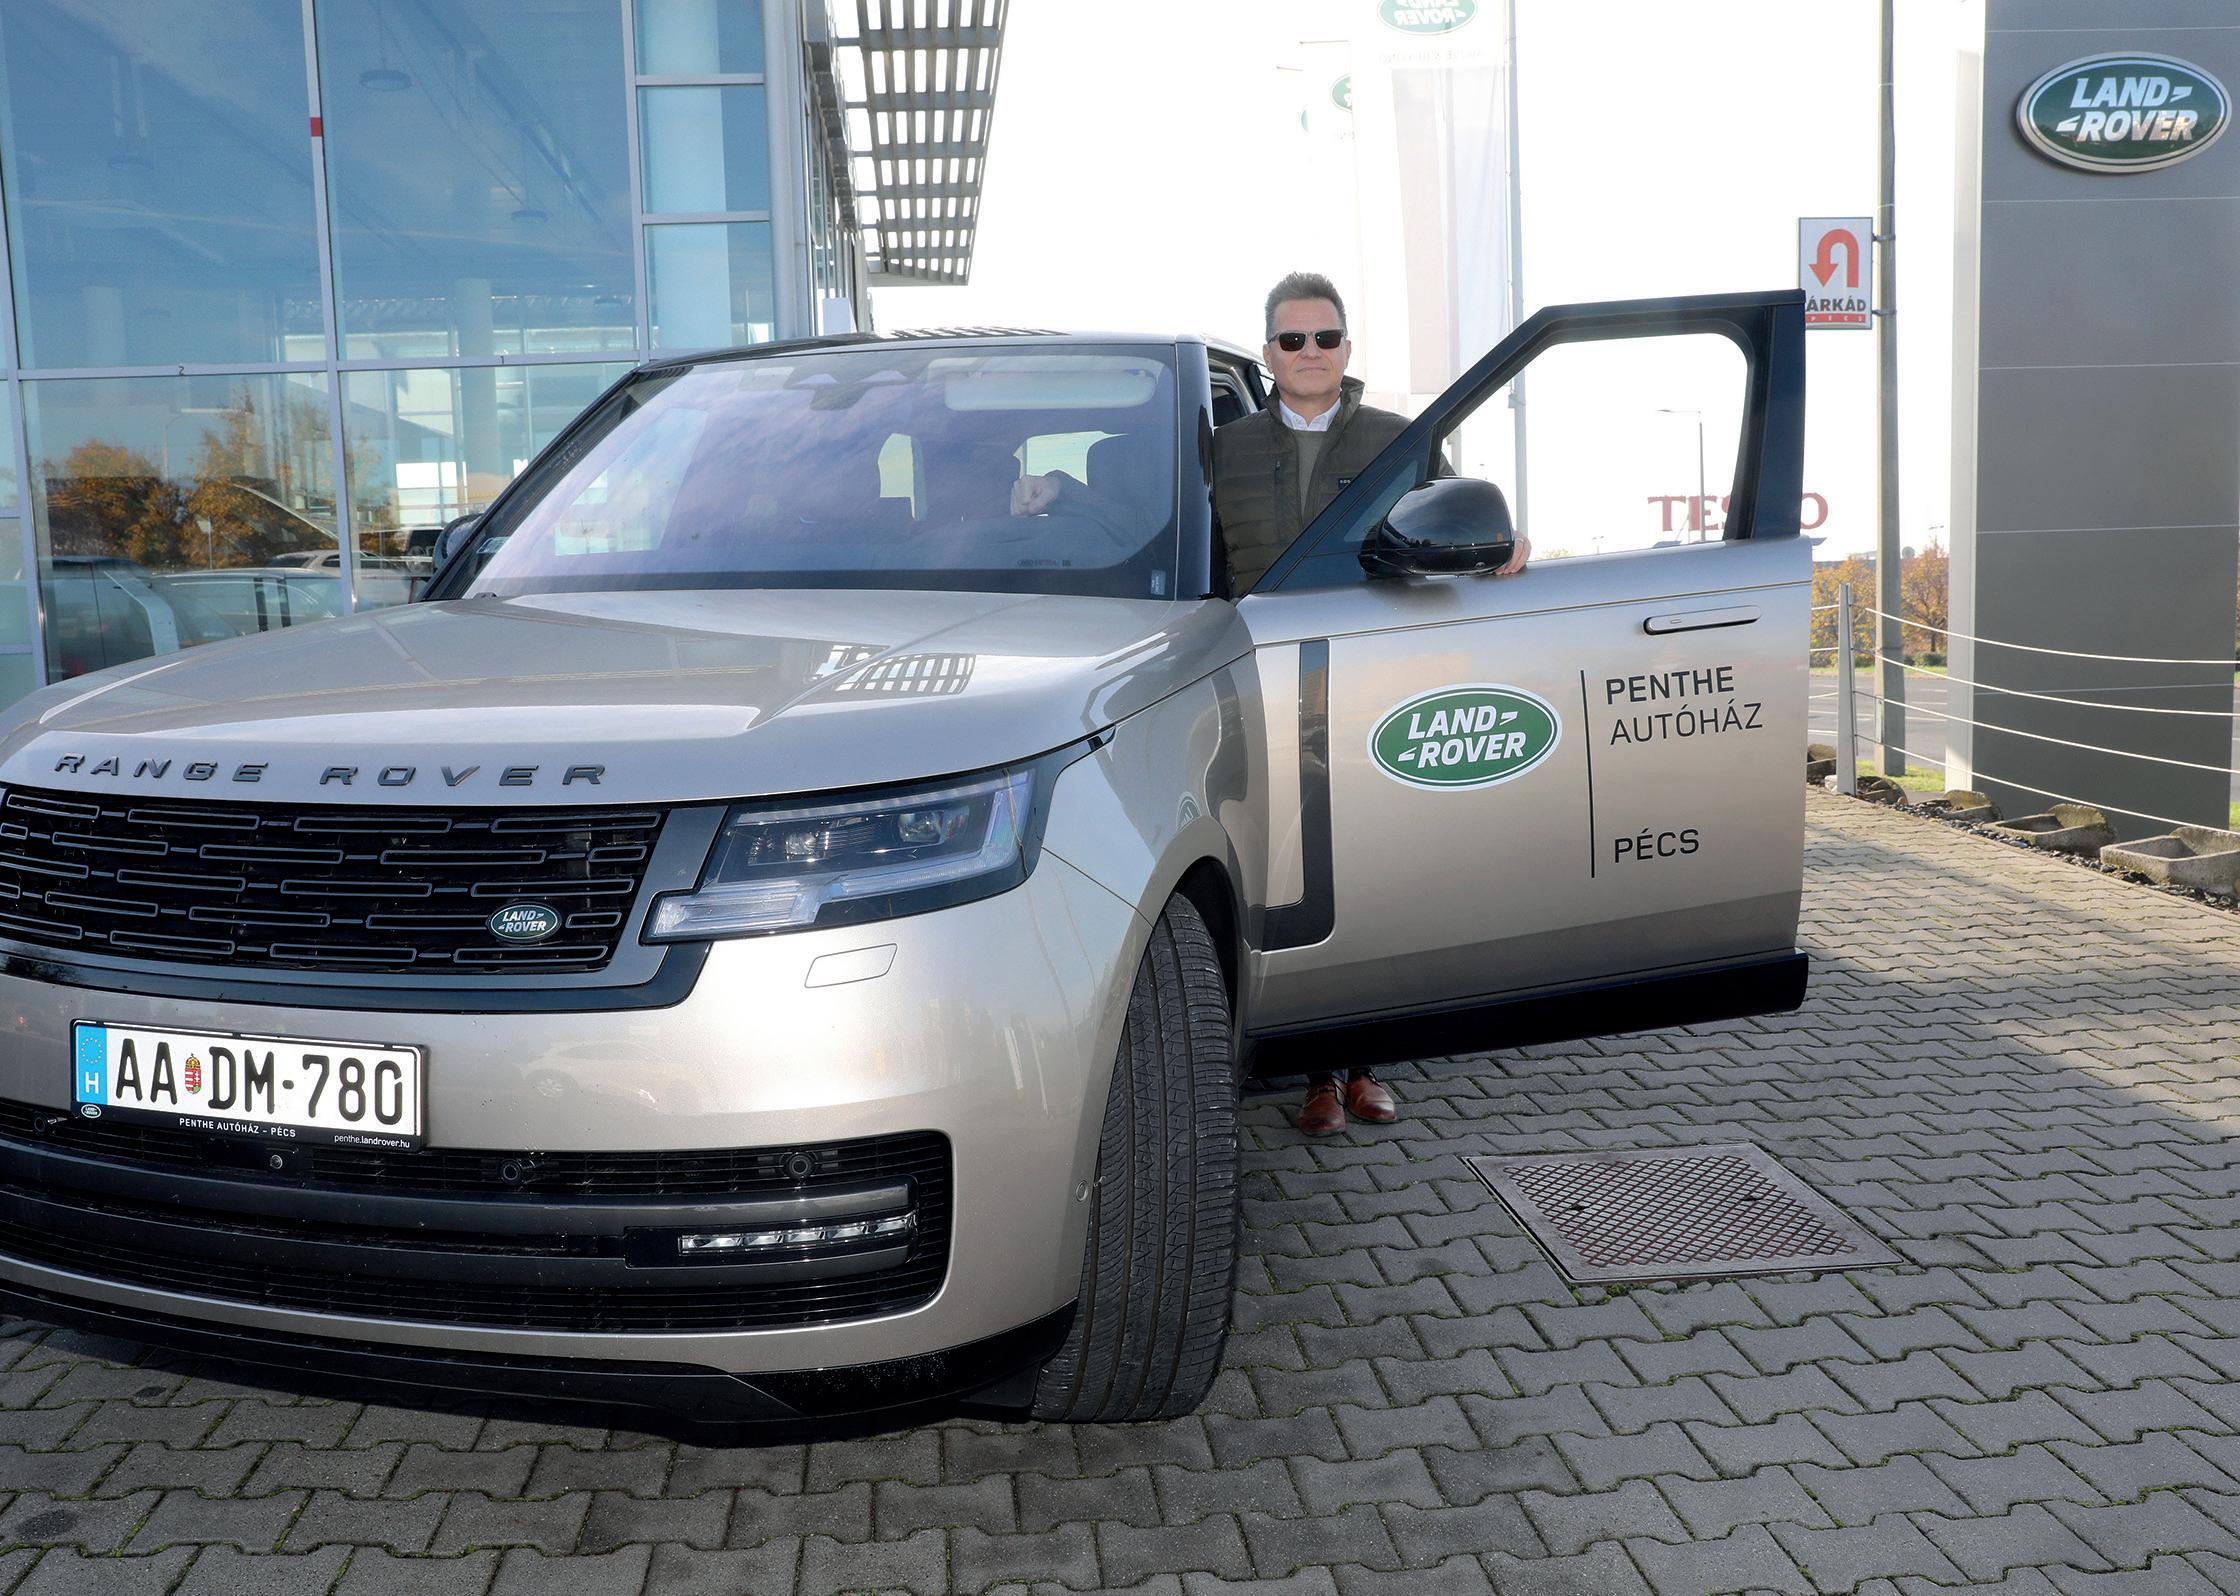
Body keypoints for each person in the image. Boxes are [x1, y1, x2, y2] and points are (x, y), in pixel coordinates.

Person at [1216, 271, 1531, 1136]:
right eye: (1292, 340)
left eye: (1324, 338)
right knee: (1289, 878)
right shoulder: (1222, 449)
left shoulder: (1401, 440)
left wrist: (1508, 545)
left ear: (1347, 347)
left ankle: (1359, 1068)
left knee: (1365, 875)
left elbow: (1461, 521)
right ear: (1269, 353)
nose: (1310, 353)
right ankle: (1312, 1070)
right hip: (1264, 686)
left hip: (1373, 687)